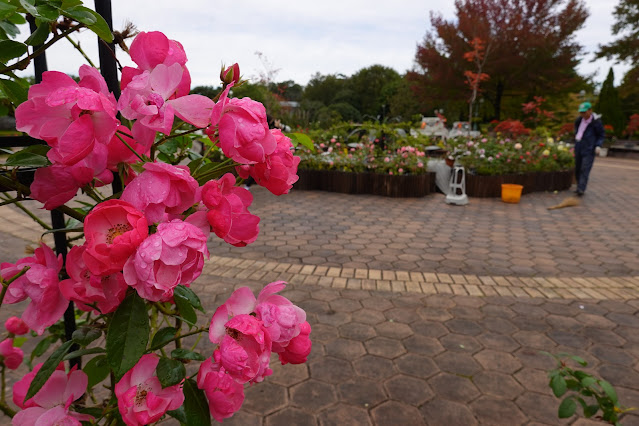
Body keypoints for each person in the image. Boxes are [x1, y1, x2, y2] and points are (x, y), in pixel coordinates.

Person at [573, 102, 604, 196]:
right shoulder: (579, 120)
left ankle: (581, 188)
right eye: (581, 112)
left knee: (585, 168)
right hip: (579, 146)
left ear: (590, 110)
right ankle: (579, 185)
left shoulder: (596, 122)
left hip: (589, 148)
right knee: (577, 168)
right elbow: (577, 130)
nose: (582, 114)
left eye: (584, 112)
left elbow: (601, 135)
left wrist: (598, 145)